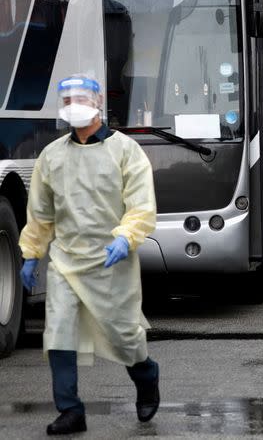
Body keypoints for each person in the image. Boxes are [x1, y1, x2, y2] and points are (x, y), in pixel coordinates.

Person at [18, 76, 159, 435]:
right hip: (66, 260)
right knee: (59, 334)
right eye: (67, 99)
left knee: (124, 335)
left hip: (113, 261)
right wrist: (32, 253)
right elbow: (41, 213)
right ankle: (70, 409)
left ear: (98, 103)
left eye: (80, 98)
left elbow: (141, 205)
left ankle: (146, 375)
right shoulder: (52, 156)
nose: (73, 105)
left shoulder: (126, 151)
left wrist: (125, 238)